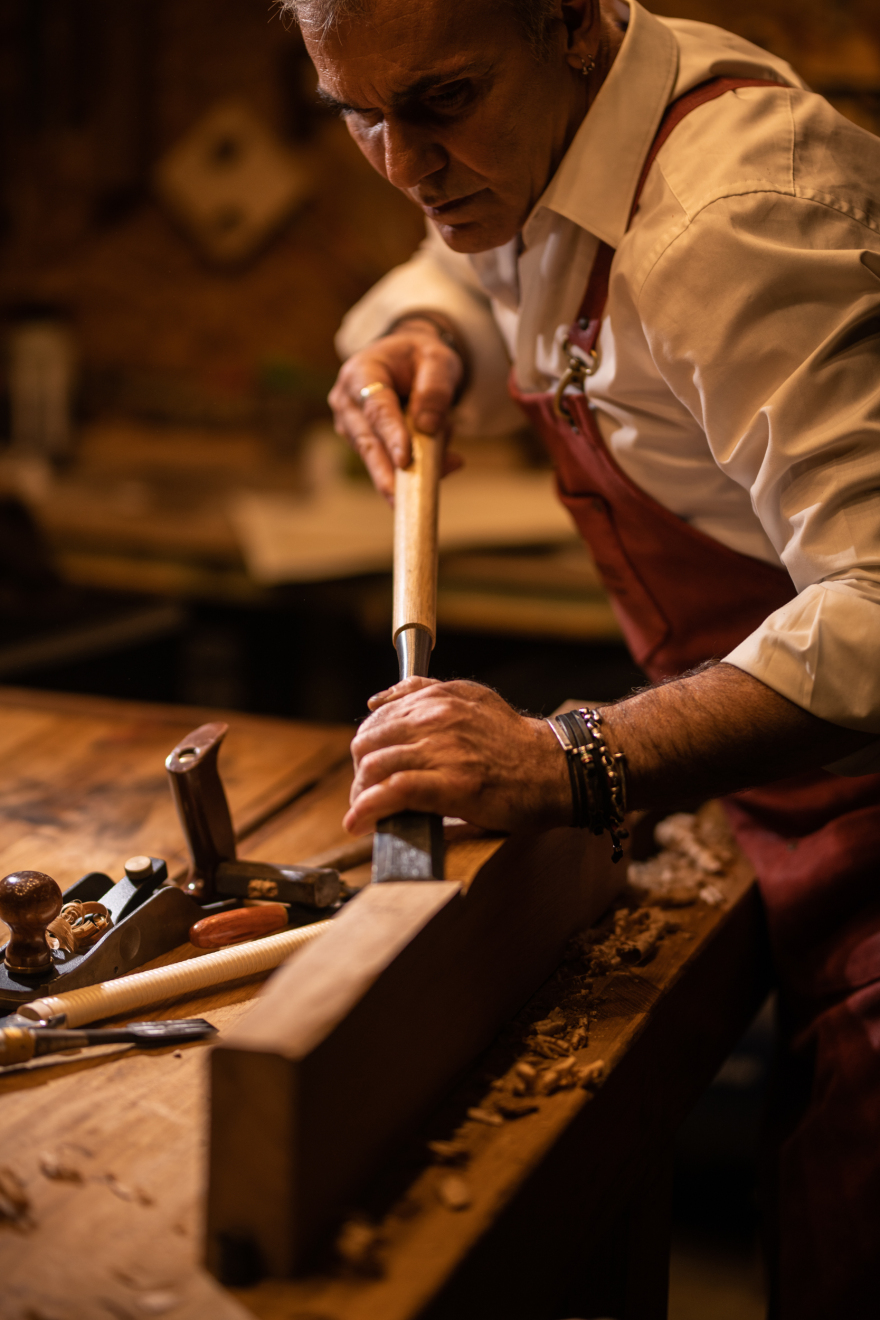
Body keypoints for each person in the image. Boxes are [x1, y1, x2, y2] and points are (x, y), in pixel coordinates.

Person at [284, 0, 880, 1311]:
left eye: (439, 103)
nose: (403, 166)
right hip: (796, 797)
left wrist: (574, 758)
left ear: (565, 21)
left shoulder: (733, 221)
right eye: (358, 116)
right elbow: (475, 269)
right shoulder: (543, 137)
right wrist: (428, 334)